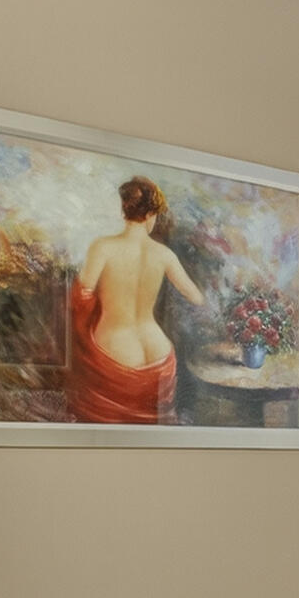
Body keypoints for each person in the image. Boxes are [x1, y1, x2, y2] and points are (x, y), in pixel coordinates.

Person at [68, 175, 204, 423]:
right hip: (159, 352)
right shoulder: (165, 254)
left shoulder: (102, 247)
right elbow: (196, 298)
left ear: (124, 209)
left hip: (115, 351)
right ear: (152, 213)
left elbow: (80, 295)